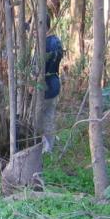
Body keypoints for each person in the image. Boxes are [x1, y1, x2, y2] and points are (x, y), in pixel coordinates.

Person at [39, 15, 64, 153]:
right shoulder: (56, 41)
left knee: (38, 118)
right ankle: (49, 148)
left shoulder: (46, 44)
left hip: (45, 85)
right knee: (49, 117)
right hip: (54, 83)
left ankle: (44, 147)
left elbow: (40, 67)